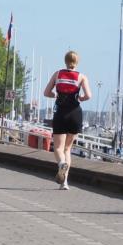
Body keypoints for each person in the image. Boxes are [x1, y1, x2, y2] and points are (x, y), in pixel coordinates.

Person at [43, 50, 92, 190]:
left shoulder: (57, 74)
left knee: (58, 148)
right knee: (68, 149)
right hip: (75, 114)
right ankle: (65, 183)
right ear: (77, 62)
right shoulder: (82, 76)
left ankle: (60, 165)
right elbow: (88, 95)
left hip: (61, 113)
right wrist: (80, 98)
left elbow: (46, 92)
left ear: (65, 61)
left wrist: (56, 96)